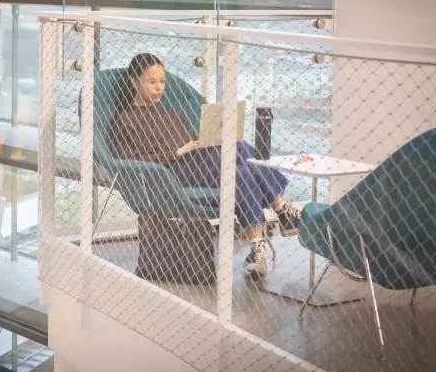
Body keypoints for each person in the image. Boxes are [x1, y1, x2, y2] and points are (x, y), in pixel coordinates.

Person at [106, 53, 303, 276]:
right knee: (237, 152)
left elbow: (196, 141)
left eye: (162, 81)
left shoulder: (171, 113)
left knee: (241, 169)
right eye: (152, 82)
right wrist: (175, 152)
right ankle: (282, 208)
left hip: (202, 163)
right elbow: (128, 160)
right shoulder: (123, 120)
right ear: (134, 82)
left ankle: (257, 251)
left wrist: (205, 142)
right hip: (172, 173)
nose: (159, 88)